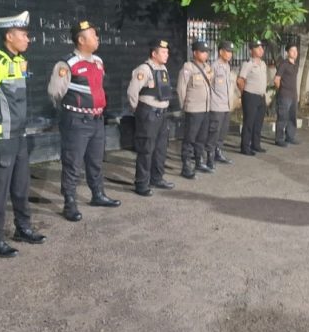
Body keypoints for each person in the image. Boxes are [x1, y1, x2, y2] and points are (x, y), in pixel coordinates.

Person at [0, 10, 46, 258]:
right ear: (9, 36)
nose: (28, 39)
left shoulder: (19, 62)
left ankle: (23, 228)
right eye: (23, 34)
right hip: (0, 139)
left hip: (19, 136)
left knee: (21, 186)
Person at [48, 20, 121, 222]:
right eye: (93, 35)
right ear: (81, 40)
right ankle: (69, 203)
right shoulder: (67, 64)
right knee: (72, 163)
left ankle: (98, 194)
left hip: (97, 119)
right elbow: (55, 93)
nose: (97, 38)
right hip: (76, 120)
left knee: (95, 160)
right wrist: (71, 111)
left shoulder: (98, 61)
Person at [127, 38, 175, 196]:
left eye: (167, 52)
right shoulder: (144, 69)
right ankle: (142, 183)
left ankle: (157, 178)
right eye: (163, 52)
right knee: (146, 149)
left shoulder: (163, 69)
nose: (167, 55)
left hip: (162, 113)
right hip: (148, 113)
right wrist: (137, 110)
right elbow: (132, 91)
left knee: (160, 148)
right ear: (154, 54)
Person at [177, 40, 214, 178]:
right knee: (190, 139)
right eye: (203, 52)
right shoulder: (188, 68)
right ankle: (186, 166)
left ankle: (199, 161)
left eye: (207, 52)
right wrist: (185, 106)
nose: (206, 54)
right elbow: (181, 89)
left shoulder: (207, 67)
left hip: (205, 108)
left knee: (202, 137)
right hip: (193, 109)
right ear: (195, 53)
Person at [206, 40, 235, 167]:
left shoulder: (227, 66)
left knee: (222, 131)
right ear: (221, 52)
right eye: (227, 51)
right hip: (216, 105)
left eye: (231, 52)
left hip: (226, 105)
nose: (230, 54)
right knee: (214, 132)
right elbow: (208, 85)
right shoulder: (214, 67)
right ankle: (210, 156)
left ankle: (218, 152)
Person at [237, 39, 268, 156]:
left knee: (258, 122)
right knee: (249, 122)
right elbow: (240, 81)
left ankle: (256, 144)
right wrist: (244, 93)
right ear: (251, 50)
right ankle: (245, 146)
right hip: (250, 96)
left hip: (261, 96)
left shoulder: (263, 64)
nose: (261, 50)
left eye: (262, 47)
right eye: (258, 48)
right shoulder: (248, 64)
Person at [274, 42, 300, 147]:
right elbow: (277, 79)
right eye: (292, 51)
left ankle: (290, 137)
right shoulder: (283, 64)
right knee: (282, 118)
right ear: (287, 52)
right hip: (284, 96)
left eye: (296, 50)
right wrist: (281, 90)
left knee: (292, 117)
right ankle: (279, 139)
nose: (295, 53)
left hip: (293, 96)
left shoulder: (296, 65)